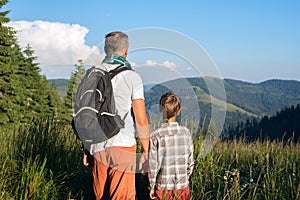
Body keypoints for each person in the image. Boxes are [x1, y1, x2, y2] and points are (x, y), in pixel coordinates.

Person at [83, 31, 150, 200]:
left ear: (106, 50)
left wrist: (86, 148)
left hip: (97, 145)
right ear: (126, 50)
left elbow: (87, 112)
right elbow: (141, 119)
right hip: (123, 144)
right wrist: (146, 151)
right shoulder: (132, 77)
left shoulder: (92, 75)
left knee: (101, 196)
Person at [148, 92, 194, 200]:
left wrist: (151, 187)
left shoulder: (155, 136)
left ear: (160, 110)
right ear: (178, 111)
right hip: (182, 185)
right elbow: (190, 162)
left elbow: (153, 167)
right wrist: (185, 177)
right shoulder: (186, 133)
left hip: (162, 187)